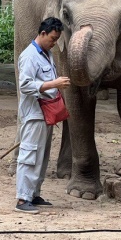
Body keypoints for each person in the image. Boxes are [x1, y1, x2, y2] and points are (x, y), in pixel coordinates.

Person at [15, 17, 71, 214]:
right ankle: (22, 199)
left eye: (56, 40)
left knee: (42, 157)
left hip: (45, 114)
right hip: (34, 114)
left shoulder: (46, 54)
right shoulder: (30, 56)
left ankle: (33, 194)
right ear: (43, 33)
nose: (54, 43)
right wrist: (53, 84)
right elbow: (25, 85)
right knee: (29, 155)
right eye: (53, 39)